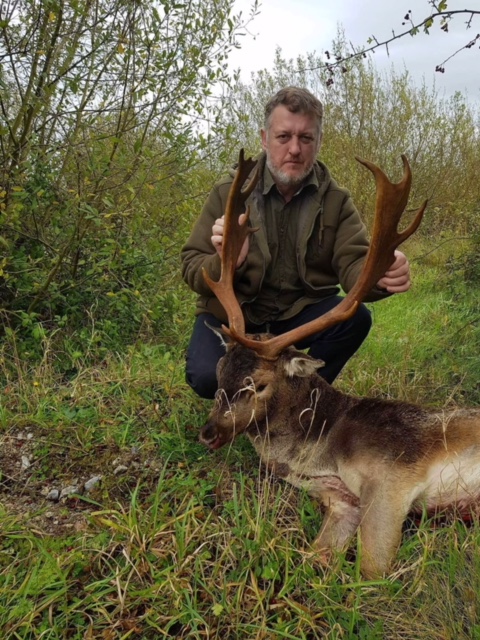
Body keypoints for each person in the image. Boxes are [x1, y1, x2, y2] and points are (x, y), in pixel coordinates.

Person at [181, 86, 411, 399]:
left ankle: (299, 399)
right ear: (264, 139)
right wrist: (225, 261)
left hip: (297, 316)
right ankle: (260, 396)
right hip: (235, 317)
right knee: (209, 377)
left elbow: (354, 264)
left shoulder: (336, 201)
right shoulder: (228, 194)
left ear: (318, 142)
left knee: (355, 320)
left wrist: (382, 274)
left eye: (305, 138)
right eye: (283, 137)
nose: (294, 149)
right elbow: (192, 268)